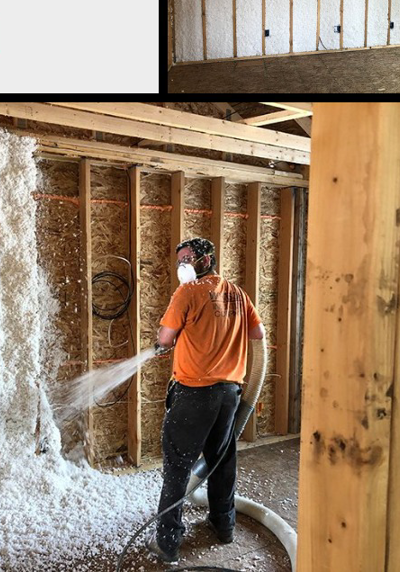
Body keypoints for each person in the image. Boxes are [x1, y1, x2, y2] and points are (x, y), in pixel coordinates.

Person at [147, 237, 265, 564]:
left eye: (187, 258)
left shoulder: (187, 293)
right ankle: (223, 525)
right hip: (230, 394)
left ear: (206, 259)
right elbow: (258, 335)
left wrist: (168, 340)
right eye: (179, 259)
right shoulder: (237, 294)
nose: (182, 265)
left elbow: (165, 338)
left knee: (178, 466)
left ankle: (167, 542)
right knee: (221, 459)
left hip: (194, 392)